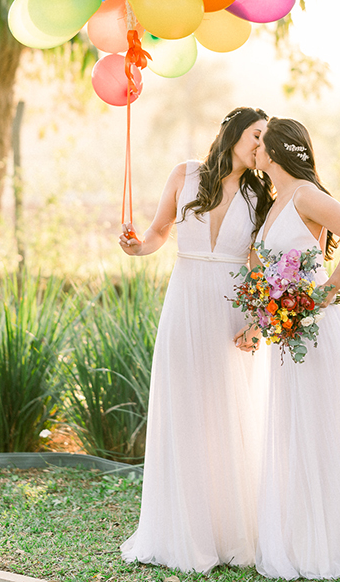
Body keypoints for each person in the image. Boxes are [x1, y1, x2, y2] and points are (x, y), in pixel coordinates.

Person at [119, 107, 273, 573]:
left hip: (231, 310)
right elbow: (158, 232)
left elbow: (258, 265)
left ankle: (231, 533)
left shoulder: (260, 193)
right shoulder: (185, 175)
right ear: (232, 134)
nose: (261, 145)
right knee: (185, 411)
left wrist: (257, 319)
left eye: (266, 139)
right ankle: (183, 531)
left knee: (230, 412)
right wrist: (137, 246)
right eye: (256, 135)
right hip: (184, 303)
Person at [243, 116, 340, 580]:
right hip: (287, 334)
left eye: (259, 142)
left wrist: (326, 289)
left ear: (274, 150)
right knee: (294, 430)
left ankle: (334, 543)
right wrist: (264, 312)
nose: (254, 150)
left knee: (322, 427)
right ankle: (300, 538)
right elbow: (265, 265)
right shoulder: (274, 201)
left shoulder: (307, 196)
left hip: (316, 328)